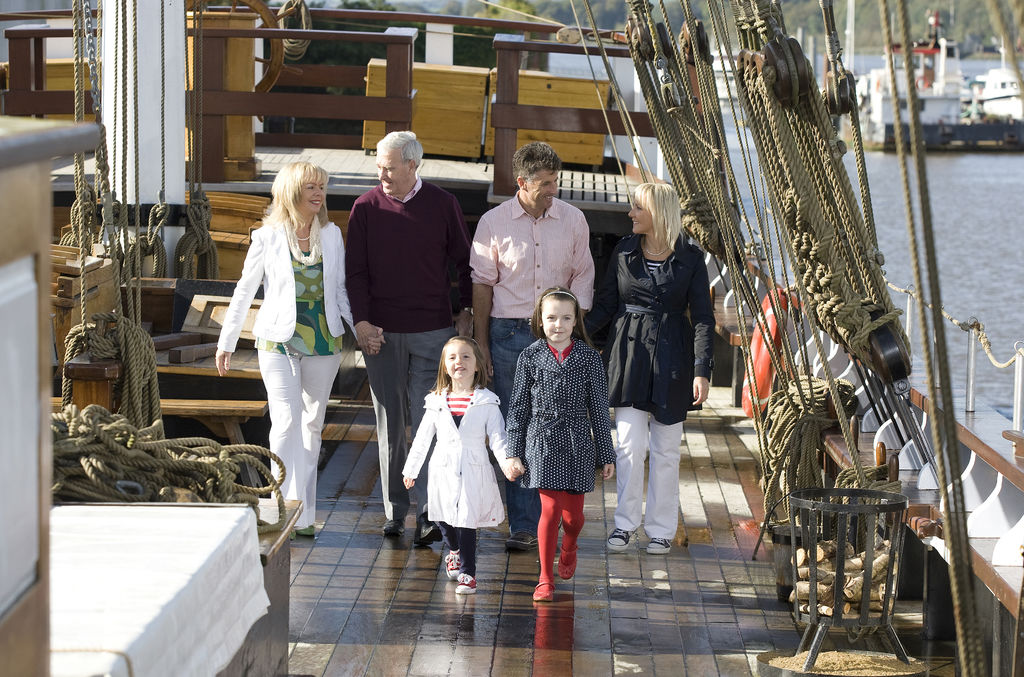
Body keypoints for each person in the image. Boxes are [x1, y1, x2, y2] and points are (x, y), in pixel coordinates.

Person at [346, 131, 474, 545]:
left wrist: (466, 314)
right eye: (379, 166)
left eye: (389, 166)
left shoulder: (443, 204)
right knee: (390, 423)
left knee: (428, 424)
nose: (381, 173)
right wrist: (362, 323)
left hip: (432, 331)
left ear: (412, 165)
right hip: (380, 333)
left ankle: (428, 512)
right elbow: (356, 273)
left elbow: (464, 263)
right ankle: (394, 512)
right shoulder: (364, 207)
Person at [215, 161, 353, 537]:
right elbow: (245, 290)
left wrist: (361, 330)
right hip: (277, 340)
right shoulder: (268, 236)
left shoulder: (332, 235)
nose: (319, 194)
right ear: (291, 192)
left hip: (324, 339)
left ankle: (305, 514)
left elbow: (339, 290)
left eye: (322, 187)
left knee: (312, 425)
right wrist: (227, 341)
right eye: (311, 187)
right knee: (285, 422)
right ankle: (276, 505)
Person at [470, 141, 595, 552]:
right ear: (521, 182)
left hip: (560, 335)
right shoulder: (492, 222)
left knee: (560, 427)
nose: (552, 189)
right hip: (508, 335)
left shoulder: (574, 220)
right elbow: (483, 286)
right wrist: (482, 344)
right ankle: (524, 525)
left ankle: (557, 517)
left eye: (555, 180)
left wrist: (572, 334)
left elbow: (582, 278)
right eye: (544, 183)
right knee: (516, 429)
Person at [584, 182, 715, 555]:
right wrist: (570, 339)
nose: (630, 214)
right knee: (627, 445)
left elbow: (703, 318)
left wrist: (701, 370)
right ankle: (625, 524)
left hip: (674, 357)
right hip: (628, 356)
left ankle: (660, 529)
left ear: (657, 212)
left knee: (666, 449)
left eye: (637, 208)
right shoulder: (624, 251)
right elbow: (607, 304)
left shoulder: (691, 257)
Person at [505, 287, 615, 602]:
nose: (558, 324)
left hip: (578, 442)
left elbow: (598, 407)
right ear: (540, 319)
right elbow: (517, 408)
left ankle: (570, 545)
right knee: (550, 510)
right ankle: (544, 578)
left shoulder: (589, 357)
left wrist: (605, 454)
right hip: (541, 441)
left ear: (575, 320)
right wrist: (513, 452)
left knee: (573, 518)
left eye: (566, 318)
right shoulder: (530, 356)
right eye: (551, 317)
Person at [401, 336, 518, 595]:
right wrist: (411, 469)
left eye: (466, 356)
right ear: (444, 366)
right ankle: (453, 550)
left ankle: (468, 572)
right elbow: (422, 439)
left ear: (477, 365)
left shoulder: (487, 402)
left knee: (466, 518)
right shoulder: (436, 402)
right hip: (442, 467)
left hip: (473, 467)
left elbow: (498, 439)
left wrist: (508, 463)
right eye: (452, 357)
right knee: (441, 514)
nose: (459, 362)